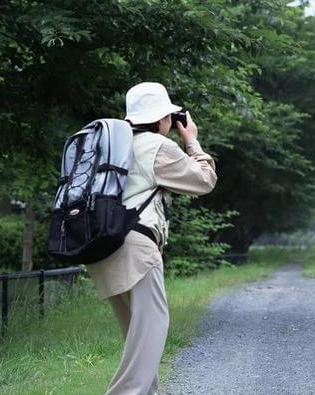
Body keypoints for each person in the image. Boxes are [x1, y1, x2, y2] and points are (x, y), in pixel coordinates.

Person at [86, 82, 217, 394]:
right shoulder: (159, 147)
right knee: (152, 331)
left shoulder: (112, 144)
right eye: (170, 118)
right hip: (136, 248)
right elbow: (204, 181)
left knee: (139, 339)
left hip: (102, 247)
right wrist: (193, 142)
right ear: (162, 119)